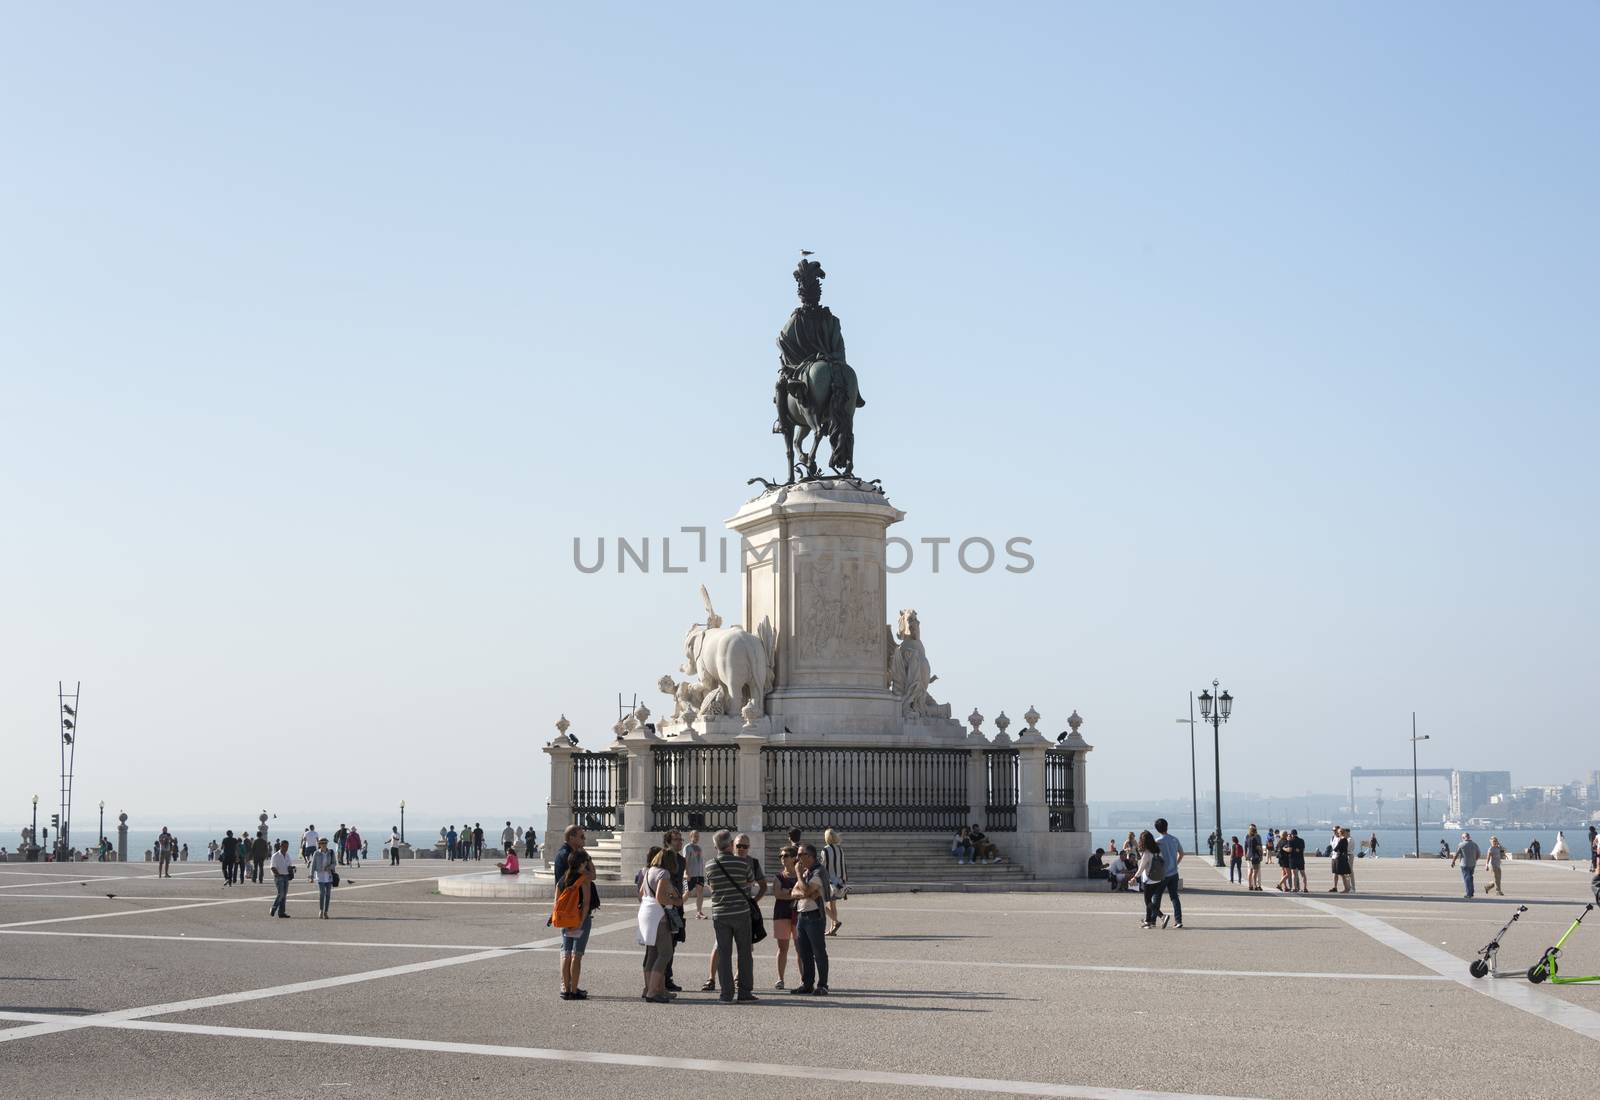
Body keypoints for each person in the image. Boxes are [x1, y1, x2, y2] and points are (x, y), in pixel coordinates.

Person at [703, 834, 768, 991]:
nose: (741, 849)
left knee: (726, 953)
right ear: (731, 844)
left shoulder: (709, 865)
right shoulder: (742, 863)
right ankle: (743, 991)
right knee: (743, 951)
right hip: (740, 911)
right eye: (738, 845)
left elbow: (711, 886)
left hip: (721, 912)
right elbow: (750, 881)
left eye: (744, 846)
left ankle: (726, 992)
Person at [552, 825, 600, 1000]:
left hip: (565, 917)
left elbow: (556, 900)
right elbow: (587, 901)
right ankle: (572, 989)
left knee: (565, 952)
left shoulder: (562, 881)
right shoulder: (584, 880)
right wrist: (587, 859)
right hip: (579, 918)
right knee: (576, 955)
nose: (584, 840)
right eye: (581, 837)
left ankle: (565, 989)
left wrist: (558, 915)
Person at [637, 848, 681, 1003]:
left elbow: (642, 893)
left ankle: (653, 988)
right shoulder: (664, 873)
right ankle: (652, 992)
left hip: (645, 911)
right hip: (658, 915)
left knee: (652, 953)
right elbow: (660, 897)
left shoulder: (648, 871)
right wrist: (676, 901)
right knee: (665, 953)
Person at [791, 843, 830, 995]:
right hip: (802, 915)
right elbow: (793, 893)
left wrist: (799, 875)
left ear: (811, 856)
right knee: (804, 952)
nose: (798, 858)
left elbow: (805, 889)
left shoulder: (818, 872)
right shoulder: (807, 872)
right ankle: (807, 984)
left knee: (819, 951)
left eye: (801, 854)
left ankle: (823, 985)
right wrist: (805, 893)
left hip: (814, 916)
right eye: (798, 854)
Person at [772, 845, 800, 989]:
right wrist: (793, 892)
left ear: (794, 858)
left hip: (798, 914)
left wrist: (786, 892)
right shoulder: (778, 876)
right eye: (780, 856)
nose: (782, 858)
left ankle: (804, 979)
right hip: (781, 914)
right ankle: (780, 979)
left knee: (800, 948)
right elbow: (777, 894)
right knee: (782, 948)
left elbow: (803, 892)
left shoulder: (801, 875)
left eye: (786, 856)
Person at [1153, 818, 1183, 929]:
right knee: (1174, 897)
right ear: (1167, 826)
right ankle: (1178, 921)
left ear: (1157, 829)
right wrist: (1176, 863)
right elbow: (1182, 853)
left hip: (1162, 874)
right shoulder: (1175, 839)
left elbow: (1153, 856)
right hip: (1174, 873)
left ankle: (1153, 919)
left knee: (1156, 895)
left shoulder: (1158, 841)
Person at [1136, 831, 1166, 929]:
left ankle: (1162, 916)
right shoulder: (1158, 850)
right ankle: (1148, 921)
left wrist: (1134, 878)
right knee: (1149, 901)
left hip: (1149, 879)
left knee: (1148, 901)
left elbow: (1141, 868)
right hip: (1158, 879)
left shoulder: (1147, 853)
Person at [821, 828, 848, 935]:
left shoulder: (825, 850)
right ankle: (832, 927)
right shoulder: (840, 849)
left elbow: (822, 865)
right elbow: (843, 865)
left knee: (821, 903)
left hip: (829, 881)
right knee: (833, 904)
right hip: (839, 881)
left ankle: (835, 923)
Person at [311, 837, 337, 918]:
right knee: (322, 893)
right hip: (320, 876)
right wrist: (311, 876)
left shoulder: (331, 852)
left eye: (325, 843)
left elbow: (334, 863)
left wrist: (329, 867)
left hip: (328, 876)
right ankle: (321, 910)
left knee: (328, 894)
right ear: (319, 844)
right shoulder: (316, 853)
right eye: (322, 843)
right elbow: (313, 865)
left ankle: (326, 912)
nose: (323, 845)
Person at [683, 830, 706, 919]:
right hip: (690, 874)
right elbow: (685, 861)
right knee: (687, 893)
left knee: (700, 892)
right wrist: (686, 873)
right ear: (691, 836)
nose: (697, 838)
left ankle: (699, 912)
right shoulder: (687, 847)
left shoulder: (699, 848)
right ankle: (677, 908)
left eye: (698, 836)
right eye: (695, 836)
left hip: (699, 875)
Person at [1451, 831, 1481, 899]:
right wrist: (1475, 860)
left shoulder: (1461, 844)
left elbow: (1456, 854)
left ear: (1464, 837)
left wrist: (1453, 862)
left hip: (1464, 864)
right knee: (1470, 877)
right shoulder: (1474, 844)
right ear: (1469, 837)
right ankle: (1471, 892)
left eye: (1462, 837)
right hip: (1472, 864)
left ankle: (1468, 894)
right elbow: (1479, 854)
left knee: (1467, 879)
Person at [269, 839, 294, 918]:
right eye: (284, 846)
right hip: (278, 876)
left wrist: (291, 869)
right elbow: (272, 867)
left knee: (284, 895)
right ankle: (273, 908)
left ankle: (281, 912)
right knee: (281, 894)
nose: (286, 848)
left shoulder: (287, 855)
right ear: (281, 846)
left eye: (287, 846)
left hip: (286, 876)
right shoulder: (275, 856)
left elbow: (289, 865)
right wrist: (278, 875)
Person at [1329, 828, 1353, 893]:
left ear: (1340, 833)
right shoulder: (1345, 840)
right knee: (1342, 874)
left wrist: (1333, 850)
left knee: (1342, 874)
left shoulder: (1342, 840)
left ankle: (1346, 888)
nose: (1337, 833)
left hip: (1340, 858)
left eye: (1338, 832)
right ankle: (1347, 888)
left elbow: (1336, 849)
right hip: (1342, 858)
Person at [1288, 829, 1308, 893]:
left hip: (1293, 859)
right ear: (1297, 833)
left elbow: (1290, 850)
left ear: (1292, 834)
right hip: (1301, 859)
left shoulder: (1290, 841)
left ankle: (1295, 888)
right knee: (1303, 874)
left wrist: (1284, 848)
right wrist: (1298, 850)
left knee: (1294, 874)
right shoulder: (1302, 840)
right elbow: (1303, 850)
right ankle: (1305, 888)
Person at [1245, 824, 1263, 891]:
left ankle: (1253, 885)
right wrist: (1260, 854)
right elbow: (1258, 847)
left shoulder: (1250, 837)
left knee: (1252, 871)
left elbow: (1247, 846)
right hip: (1254, 856)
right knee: (1254, 871)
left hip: (1249, 856)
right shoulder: (1253, 838)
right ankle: (1254, 885)